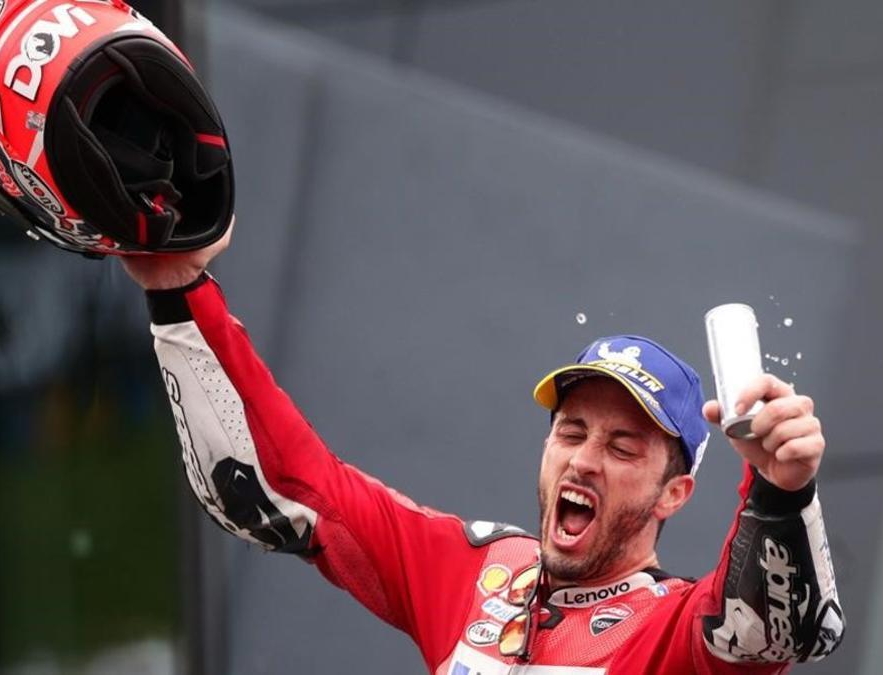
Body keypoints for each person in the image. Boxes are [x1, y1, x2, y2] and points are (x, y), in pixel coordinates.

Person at [121, 225, 844, 674]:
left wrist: (780, 490)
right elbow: (292, 489)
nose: (585, 458)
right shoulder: (479, 574)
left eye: (623, 446)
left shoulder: (671, 633)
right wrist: (178, 290)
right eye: (570, 431)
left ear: (673, 493)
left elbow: (760, 630)